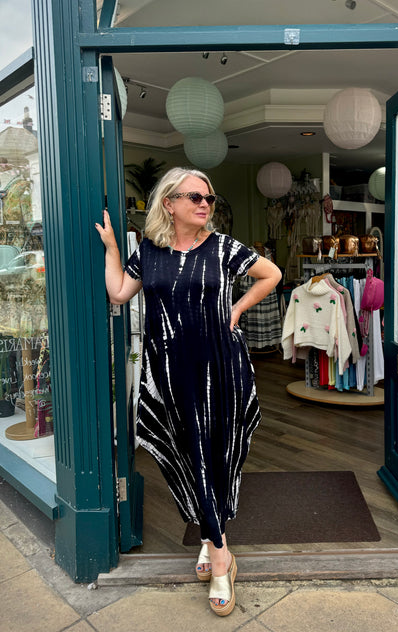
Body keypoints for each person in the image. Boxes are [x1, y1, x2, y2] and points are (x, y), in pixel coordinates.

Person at [95, 167, 281, 616]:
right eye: (195, 196)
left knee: (212, 456)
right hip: (169, 373)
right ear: (169, 203)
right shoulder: (150, 253)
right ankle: (209, 537)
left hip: (220, 369)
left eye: (210, 198)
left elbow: (271, 275)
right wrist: (114, 251)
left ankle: (220, 557)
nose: (205, 204)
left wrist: (236, 307)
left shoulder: (223, 248)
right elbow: (120, 292)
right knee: (186, 454)